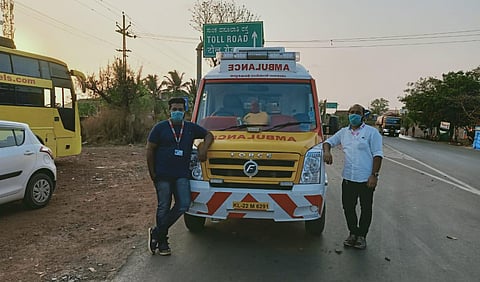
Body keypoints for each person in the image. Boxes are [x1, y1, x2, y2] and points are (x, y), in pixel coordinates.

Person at [146, 97, 214, 255]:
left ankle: (157, 232)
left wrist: (204, 150)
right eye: (174, 109)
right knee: (163, 206)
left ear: (185, 111)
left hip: (181, 175)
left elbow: (209, 135)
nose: (177, 112)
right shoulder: (160, 128)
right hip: (162, 175)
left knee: (184, 204)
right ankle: (162, 242)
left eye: (180, 109)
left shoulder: (190, 128)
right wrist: (152, 174)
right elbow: (150, 150)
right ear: (169, 110)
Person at [322, 104, 383, 250]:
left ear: (363, 116)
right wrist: (327, 152)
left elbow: (377, 155)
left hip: (366, 179)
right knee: (348, 208)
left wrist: (374, 175)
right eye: (351, 112)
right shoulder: (344, 132)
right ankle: (353, 233)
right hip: (349, 178)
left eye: (357, 113)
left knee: (366, 208)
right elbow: (327, 142)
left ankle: (362, 236)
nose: (353, 115)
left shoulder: (372, 133)